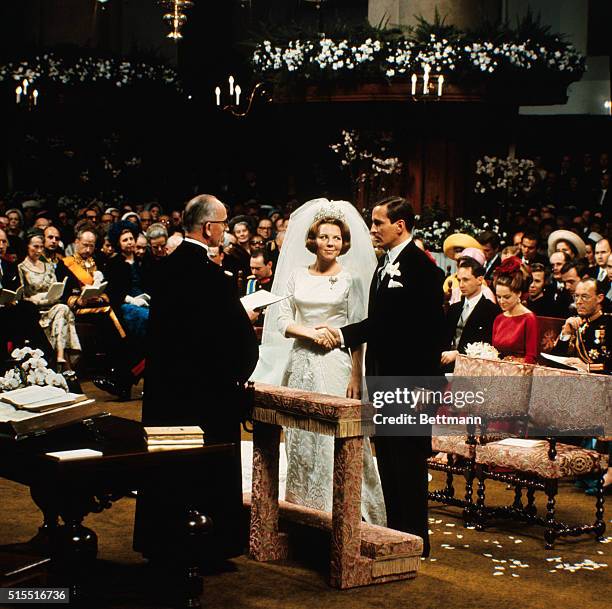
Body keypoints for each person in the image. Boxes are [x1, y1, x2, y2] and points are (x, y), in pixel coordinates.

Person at [134, 194, 258, 564]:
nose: (223, 230)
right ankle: (207, 548)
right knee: (205, 470)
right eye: (221, 223)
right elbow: (236, 343)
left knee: (167, 466)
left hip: (165, 392)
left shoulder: (164, 268)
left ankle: (160, 542)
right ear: (208, 228)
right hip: (205, 394)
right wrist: (240, 368)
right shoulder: (211, 276)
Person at [319, 196, 444, 557]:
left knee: (408, 464)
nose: (372, 229)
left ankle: (417, 541)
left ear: (400, 225)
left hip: (412, 384)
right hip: (386, 379)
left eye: (378, 222)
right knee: (388, 459)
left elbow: (398, 326)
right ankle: (397, 536)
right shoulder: (383, 265)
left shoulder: (422, 270)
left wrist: (341, 334)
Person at [253, 198, 386, 525]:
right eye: (325, 237)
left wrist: (357, 374)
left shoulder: (351, 279)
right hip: (301, 362)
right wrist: (312, 334)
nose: (331, 243)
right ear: (313, 240)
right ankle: (303, 510)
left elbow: (357, 329)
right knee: (301, 438)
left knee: (334, 439)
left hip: (336, 364)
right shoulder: (296, 274)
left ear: (344, 243)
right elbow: (282, 318)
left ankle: (344, 514)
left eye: (337, 238)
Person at [18, 232, 81, 367]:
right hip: (36, 311)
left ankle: (59, 356)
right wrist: (36, 299)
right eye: (35, 246)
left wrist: (54, 294)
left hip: (53, 306)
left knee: (62, 308)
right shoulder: (21, 267)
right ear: (27, 247)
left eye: (41, 247)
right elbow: (22, 295)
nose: (39, 250)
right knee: (62, 313)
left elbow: (56, 287)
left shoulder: (48, 266)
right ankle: (62, 358)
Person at [441, 256, 500, 372]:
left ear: (479, 280)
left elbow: (487, 346)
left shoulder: (491, 310)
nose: (461, 285)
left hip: (473, 368)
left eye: (466, 280)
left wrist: (458, 354)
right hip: (445, 365)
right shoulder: (454, 309)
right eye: (459, 280)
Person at [552, 277, 610, 374]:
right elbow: (555, 361)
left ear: (599, 298)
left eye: (585, 297)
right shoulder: (576, 323)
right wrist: (566, 333)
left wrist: (588, 367)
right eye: (576, 296)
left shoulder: (609, 323)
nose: (578, 301)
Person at [492, 257, 538, 364]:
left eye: (506, 297)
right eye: (498, 296)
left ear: (519, 294)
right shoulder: (499, 319)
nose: (501, 301)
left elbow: (531, 357)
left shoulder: (529, 319)